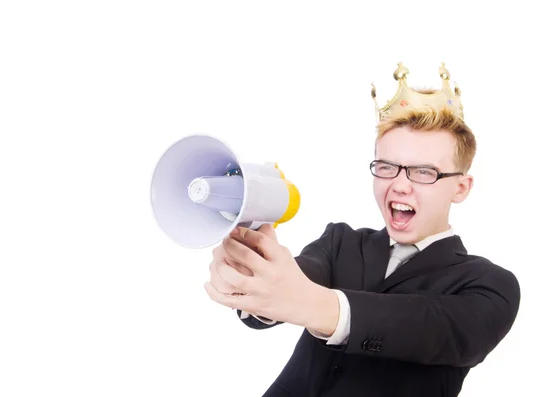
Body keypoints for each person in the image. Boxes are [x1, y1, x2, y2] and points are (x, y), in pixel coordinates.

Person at [203, 62, 521, 397]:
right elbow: (296, 278)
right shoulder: (340, 242)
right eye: (387, 167)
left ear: (461, 187)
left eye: (423, 172)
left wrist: (305, 301)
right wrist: (251, 275)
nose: (399, 185)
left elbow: (422, 327)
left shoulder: (491, 287)